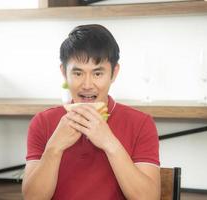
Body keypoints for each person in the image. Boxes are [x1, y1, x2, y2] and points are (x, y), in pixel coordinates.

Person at [22, 24, 160, 200]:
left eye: (97, 74)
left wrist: (110, 143)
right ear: (64, 72)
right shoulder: (43, 122)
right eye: (78, 73)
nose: (87, 85)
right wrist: (54, 148)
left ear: (114, 73)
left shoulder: (141, 123)